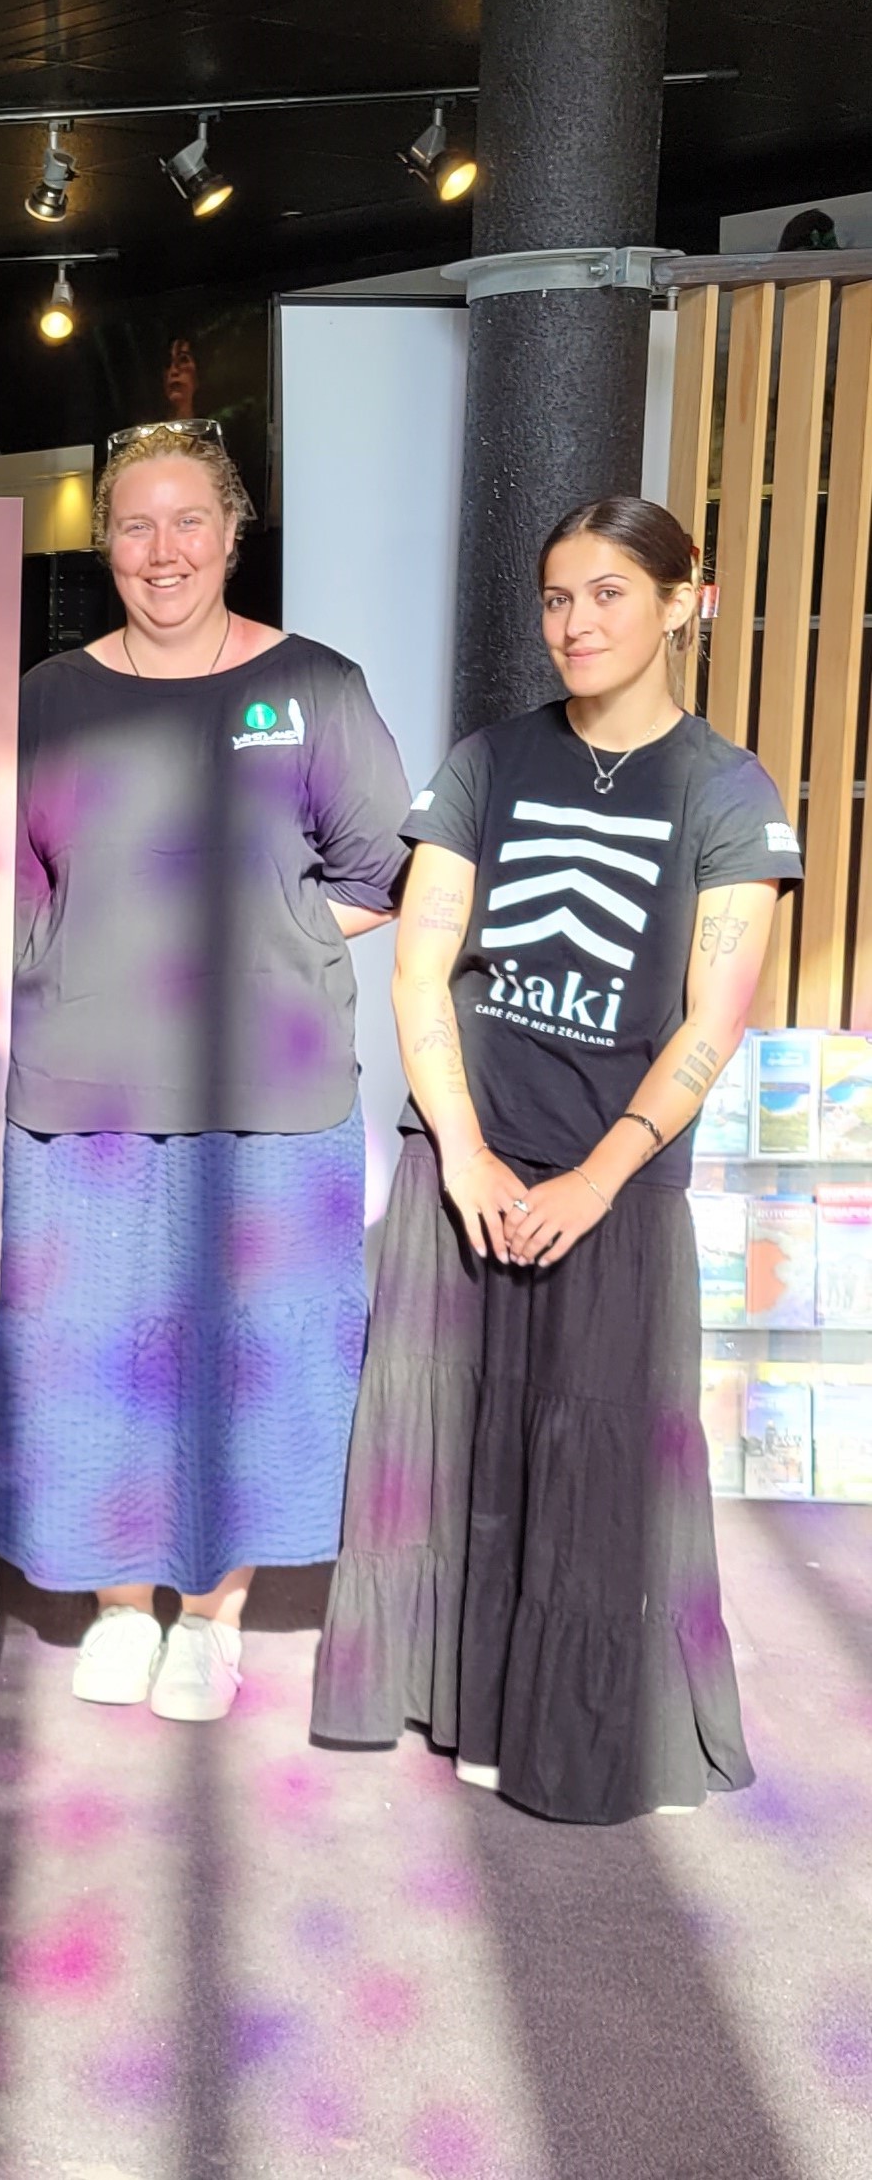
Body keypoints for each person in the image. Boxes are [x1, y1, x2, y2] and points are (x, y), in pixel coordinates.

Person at [313, 497, 796, 1824]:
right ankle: (461, 1702)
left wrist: (596, 1177)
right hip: (466, 1156)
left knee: (592, 1458)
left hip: (615, 1179)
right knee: (455, 1431)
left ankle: (567, 1727)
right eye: (555, 598)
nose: (575, 623)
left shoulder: (724, 790)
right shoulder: (485, 762)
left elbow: (714, 1016)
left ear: (681, 600)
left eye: (608, 595)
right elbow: (419, 965)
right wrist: (460, 1151)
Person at [0, 425, 409, 1721]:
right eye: (132, 524)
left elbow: (379, 869)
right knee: (89, 1347)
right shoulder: (47, 695)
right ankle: (119, 1598)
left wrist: (262, 934)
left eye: (187, 521)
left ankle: (208, 1612)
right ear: (101, 541)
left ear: (232, 533)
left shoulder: (313, 686)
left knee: (246, 1354)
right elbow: (9, 887)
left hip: (267, 1100)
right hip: (81, 1090)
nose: (160, 550)